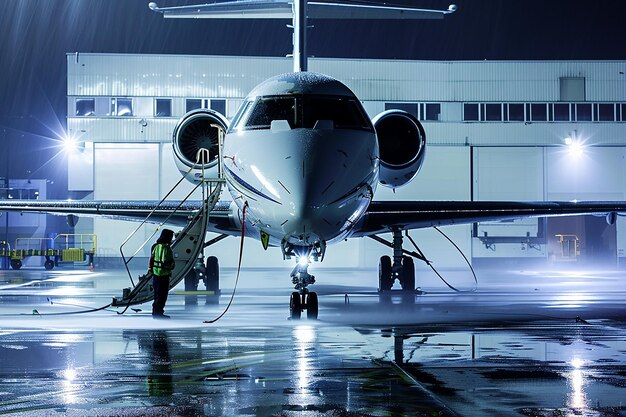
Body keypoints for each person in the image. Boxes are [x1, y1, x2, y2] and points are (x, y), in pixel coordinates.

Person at [149, 228, 175, 318]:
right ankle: (159, 313)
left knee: (156, 295)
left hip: (155, 275)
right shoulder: (166, 248)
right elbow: (166, 261)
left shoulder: (155, 246)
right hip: (164, 275)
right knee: (162, 296)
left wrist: (151, 270)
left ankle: (155, 312)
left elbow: (151, 259)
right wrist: (172, 266)